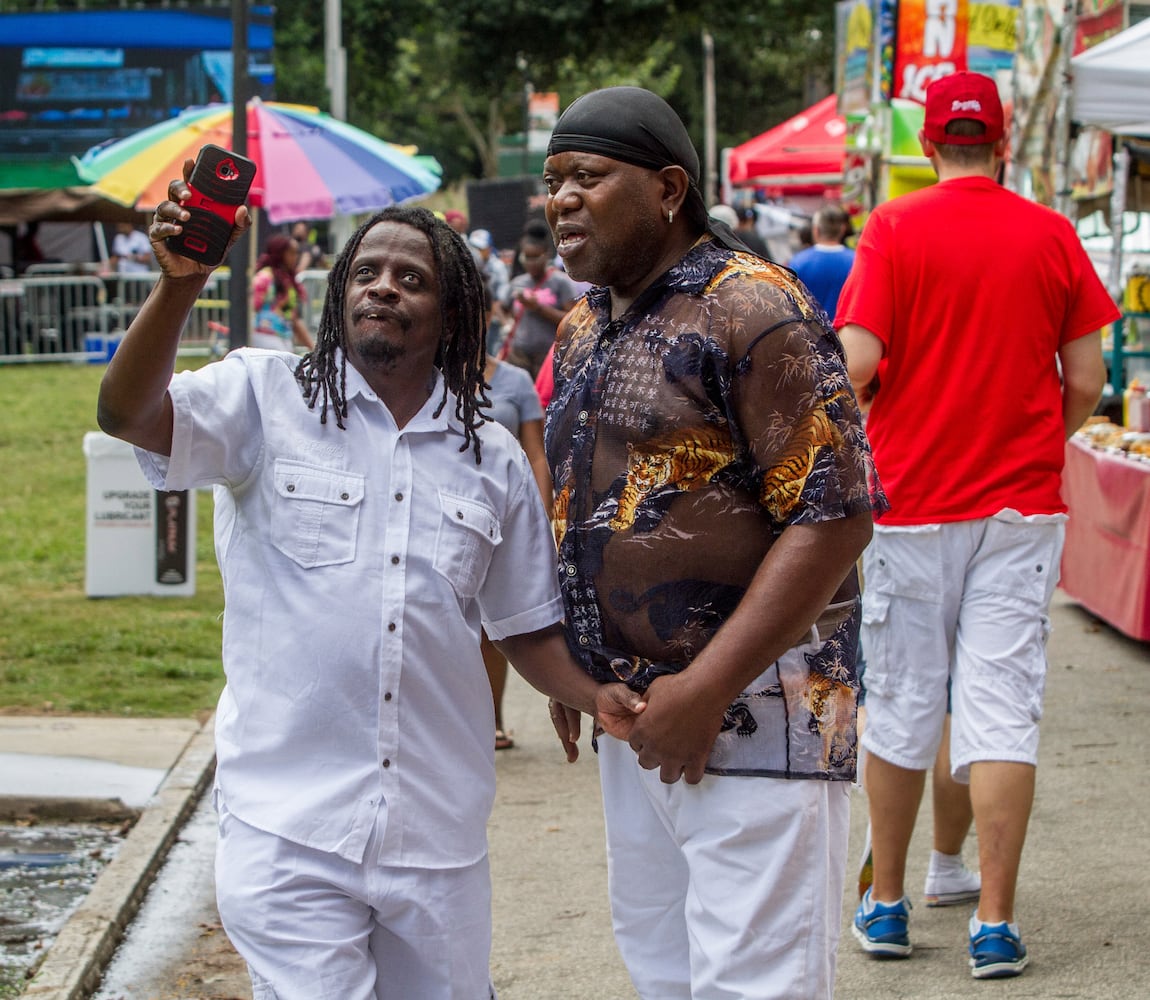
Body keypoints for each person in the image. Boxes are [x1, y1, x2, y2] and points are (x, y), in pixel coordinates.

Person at [95, 168, 645, 999]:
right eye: (366, 273)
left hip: (436, 829)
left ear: (453, 312)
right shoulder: (261, 397)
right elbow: (128, 414)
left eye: (411, 278)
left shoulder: (488, 455)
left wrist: (594, 693)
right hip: (288, 825)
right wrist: (181, 287)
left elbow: (523, 625)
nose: (383, 287)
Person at [541, 86, 883, 1000]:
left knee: (754, 987)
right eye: (553, 181)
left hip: (762, 718)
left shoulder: (753, 306)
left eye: (587, 176)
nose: (562, 199)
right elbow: (579, 496)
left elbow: (838, 513)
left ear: (668, 187)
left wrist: (707, 687)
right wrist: (577, 663)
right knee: (663, 972)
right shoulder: (583, 327)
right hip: (640, 722)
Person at [835, 71, 1116, 979]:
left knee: (904, 708)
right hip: (1019, 509)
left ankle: (886, 906)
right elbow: (1086, 380)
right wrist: (1038, 441)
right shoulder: (1051, 233)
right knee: (1000, 712)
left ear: (928, 148)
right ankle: (994, 923)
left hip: (913, 505)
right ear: (1001, 146)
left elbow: (859, 360)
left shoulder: (894, 228)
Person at [478, 290, 553, 750]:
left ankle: (492, 721)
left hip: (503, 515)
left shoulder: (515, 381)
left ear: (492, 316)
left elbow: (536, 454)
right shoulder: (427, 378)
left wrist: (542, 515)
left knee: (493, 628)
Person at [499, 222, 578, 379]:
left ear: (546, 255)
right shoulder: (518, 282)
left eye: (535, 257)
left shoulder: (560, 282)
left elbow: (573, 321)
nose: (531, 262)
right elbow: (502, 307)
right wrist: (506, 324)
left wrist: (538, 308)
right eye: (527, 257)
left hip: (548, 357)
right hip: (519, 356)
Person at [788, 202, 855, 319]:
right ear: (842, 229)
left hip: (810, 332)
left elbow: (790, 305)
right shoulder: (856, 262)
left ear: (816, 230)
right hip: (845, 332)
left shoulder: (798, 262)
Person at [250, 234, 315, 352]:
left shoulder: (288, 280)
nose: (296, 257)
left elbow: (294, 318)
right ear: (280, 253)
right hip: (265, 337)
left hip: (284, 337)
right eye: (291, 252)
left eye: (297, 253)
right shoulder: (265, 277)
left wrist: (313, 347)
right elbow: (251, 308)